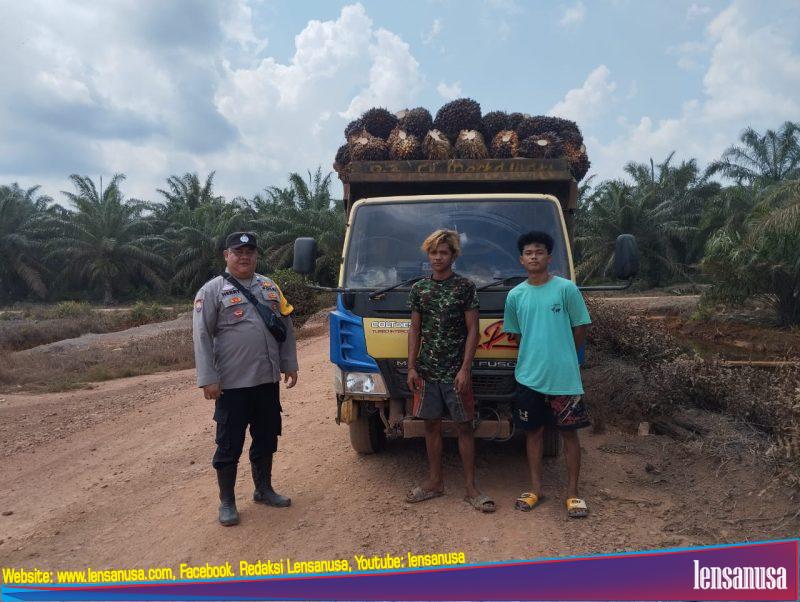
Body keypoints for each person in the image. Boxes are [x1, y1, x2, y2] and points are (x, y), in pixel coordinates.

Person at [192, 232, 298, 526]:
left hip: (266, 381)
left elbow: (286, 325)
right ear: (226, 255)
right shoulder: (212, 290)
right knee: (229, 444)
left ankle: (264, 489)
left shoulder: (269, 286)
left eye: (249, 251)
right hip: (232, 385)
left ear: (256, 255)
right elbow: (201, 335)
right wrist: (208, 378)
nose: (244, 256)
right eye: (238, 252)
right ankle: (227, 502)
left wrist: (289, 363)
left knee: (266, 437)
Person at [503, 231, 592, 518]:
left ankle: (573, 493)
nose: (534, 257)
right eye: (528, 253)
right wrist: (535, 356)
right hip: (528, 378)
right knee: (533, 434)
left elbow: (580, 326)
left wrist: (564, 355)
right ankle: (536, 490)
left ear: (549, 257)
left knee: (569, 435)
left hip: (564, 378)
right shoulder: (515, 296)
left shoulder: (566, 289)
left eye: (539, 252)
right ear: (521, 259)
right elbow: (517, 335)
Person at [405, 229, 495, 513]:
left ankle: (471, 489)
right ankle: (435, 483)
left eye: (443, 252)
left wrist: (465, 369)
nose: (437, 257)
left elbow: (473, 330)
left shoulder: (465, 288)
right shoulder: (419, 289)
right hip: (427, 372)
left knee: (464, 427)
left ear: (453, 256)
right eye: (433, 252)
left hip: (456, 373)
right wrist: (411, 367)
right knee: (430, 426)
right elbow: (414, 329)